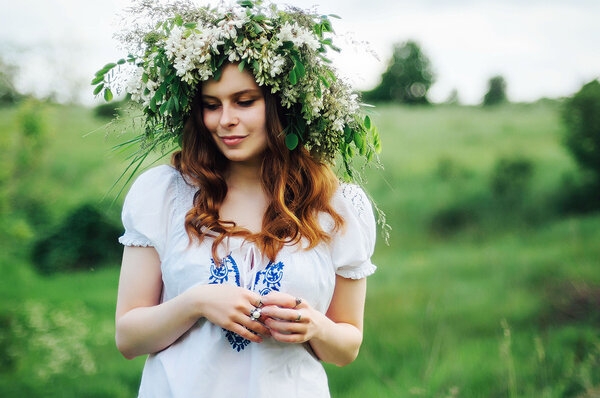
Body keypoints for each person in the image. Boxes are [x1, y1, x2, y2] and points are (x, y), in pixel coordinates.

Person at [100, 1, 380, 396]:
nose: (224, 119)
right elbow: (128, 337)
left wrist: (315, 326)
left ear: (282, 104)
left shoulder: (334, 207)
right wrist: (196, 303)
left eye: (244, 101)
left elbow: (347, 344)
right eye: (211, 105)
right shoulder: (166, 194)